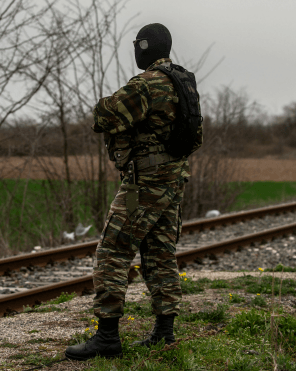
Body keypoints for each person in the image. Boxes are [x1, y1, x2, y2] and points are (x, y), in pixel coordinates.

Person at [65, 23, 203, 361]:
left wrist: (104, 107)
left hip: (143, 184)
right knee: (159, 253)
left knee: (113, 250)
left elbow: (104, 115)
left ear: (144, 47)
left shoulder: (147, 84)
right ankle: (164, 332)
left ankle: (108, 337)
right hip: (172, 181)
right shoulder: (182, 81)